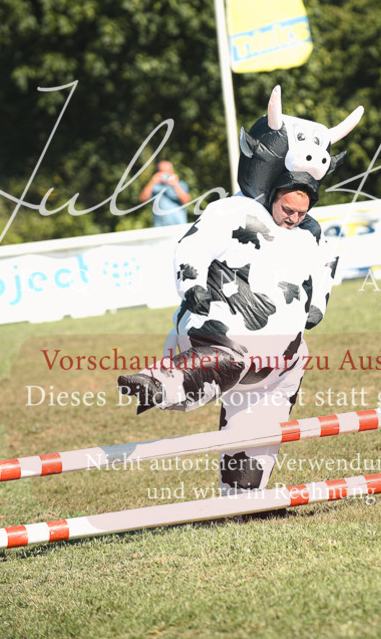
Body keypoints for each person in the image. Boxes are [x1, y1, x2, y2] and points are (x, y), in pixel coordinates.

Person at [119, 86, 362, 497]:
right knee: (227, 360)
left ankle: (243, 498)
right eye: (289, 209)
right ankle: (161, 383)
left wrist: (317, 305)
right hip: (217, 337)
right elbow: (192, 246)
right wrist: (192, 283)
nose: (295, 217)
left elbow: (323, 271)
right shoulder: (235, 212)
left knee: (259, 431)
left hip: (277, 365)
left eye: (302, 211)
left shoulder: (311, 233)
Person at [140, 161, 191, 226]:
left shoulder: (180, 184)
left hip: (179, 225)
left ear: (172, 171)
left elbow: (186, 200)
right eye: (162, 171)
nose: (165, 174)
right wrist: (152, 182)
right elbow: (143, 198)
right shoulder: (155, 187)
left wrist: (175, 184)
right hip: (160, 227)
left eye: (167, 171)